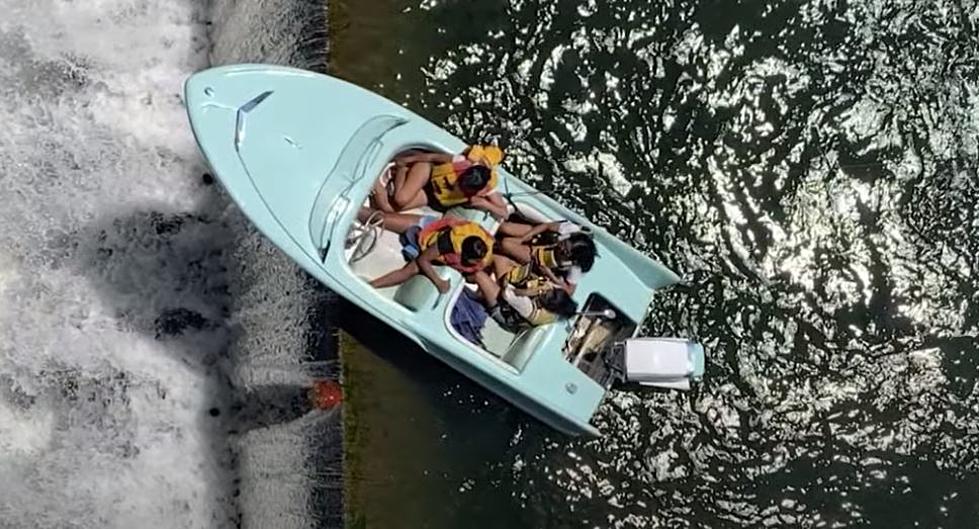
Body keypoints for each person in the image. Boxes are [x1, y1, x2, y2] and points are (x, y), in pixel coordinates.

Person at [362, 208, 494, 293]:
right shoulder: (449, 243)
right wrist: (438, 282)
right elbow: (423, 259)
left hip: (440, 250)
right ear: (463, 253)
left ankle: (369, 287)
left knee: (410, 271)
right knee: (383, 219)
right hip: (424, 232)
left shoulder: (486, 245)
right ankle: (354, 210)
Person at [372, 144, 509, 218]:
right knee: (400, 199)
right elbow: (432, 158)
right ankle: (402, 171)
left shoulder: (488, 189)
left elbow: (504, 212)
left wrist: (485, 203)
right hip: (427, 173)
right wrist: (406, 160)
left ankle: (375, 184)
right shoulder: (461, 162)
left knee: (387, 209)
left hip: (432, 198)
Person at [469, 270, 577, 333]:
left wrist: (529, 292)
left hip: (504, 310)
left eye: (545, 295)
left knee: (480, 276)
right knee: (501, 260)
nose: (546, 291)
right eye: (551, 290)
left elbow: (507, 294)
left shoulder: (530, 310)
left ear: (549, 306)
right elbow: (544, 283)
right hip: (514, 296)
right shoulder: (554, 296)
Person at [495, 230, 597, 294]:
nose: (561, 247)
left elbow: (569, 291)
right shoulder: (566, 238)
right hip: (539, 251)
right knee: (506, 242)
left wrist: (549, 274)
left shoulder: (575, 268)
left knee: (505, 247)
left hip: (541, 266)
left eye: (564, 250)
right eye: (563, 244)